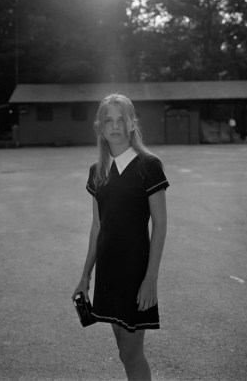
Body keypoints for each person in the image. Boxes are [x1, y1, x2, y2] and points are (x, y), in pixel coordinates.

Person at [72, 94, 169, 380]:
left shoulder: (148, 165)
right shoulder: (97, 171)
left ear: (131, 124)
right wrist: (85, 276)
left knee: (131, 352)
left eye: (121, 119)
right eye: (108, 120)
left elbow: (160, 225)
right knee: (122, 351)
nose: (114, 126)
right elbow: (97, 226)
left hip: (135, 272)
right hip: (108, 271)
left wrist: (150, 280)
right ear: (100, 127)